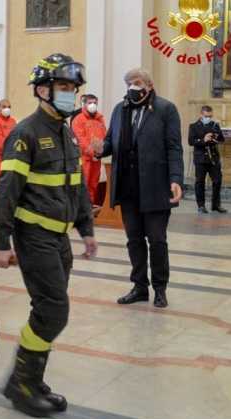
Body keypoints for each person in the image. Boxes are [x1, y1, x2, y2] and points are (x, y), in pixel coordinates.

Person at [0, 53, 97, 419]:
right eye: (64, 87)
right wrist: (1, 242)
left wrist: (87, 229)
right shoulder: (25, 133)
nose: (71, 95)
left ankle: (29, 380)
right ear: (42, 90)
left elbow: (77, 184)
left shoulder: (65, 133)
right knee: (54, 310)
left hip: (59, 238)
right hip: (33, 235)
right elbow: (7, 189)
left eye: (73, 88)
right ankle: (21, 383)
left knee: (47, 310)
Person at [96, 68, 184, 309]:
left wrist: (176, 179)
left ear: (149, 85)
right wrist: (98, 148)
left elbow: (174, 147)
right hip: (128, 186)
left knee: (156, 240)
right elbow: (109, 142)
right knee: (133, 239)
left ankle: (160, 288)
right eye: (128, 84)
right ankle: (139, 287)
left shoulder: (166, 109)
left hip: (156, 186)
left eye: (136, 83)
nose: (132, 88)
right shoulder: (120, 110)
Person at [188, 105, 226, 214]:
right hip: (200, 158)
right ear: (201, 115)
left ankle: (215, 205)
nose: (208, 118)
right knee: (200, 182)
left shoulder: (215, 125)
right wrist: (203, 139)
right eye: (206, 116)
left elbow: (222, 139)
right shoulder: (193, 126)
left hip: (213, 158)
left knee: (217, 181)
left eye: (210, 116)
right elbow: (191, 141)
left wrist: (215, 137)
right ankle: (201, 205)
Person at [71, 93, 106, 205]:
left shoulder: (100, 119)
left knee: (93, 183)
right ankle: (80, 209)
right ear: (84, 104)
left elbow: (104, 136)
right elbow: (80, 139)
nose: (93, 105)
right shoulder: (78, 119)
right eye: (90, 103)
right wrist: (92, 153)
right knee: (83, 183)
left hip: (97, 159)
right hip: (84, 158)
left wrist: (101, 153)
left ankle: (89, 207)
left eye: (95, 103)